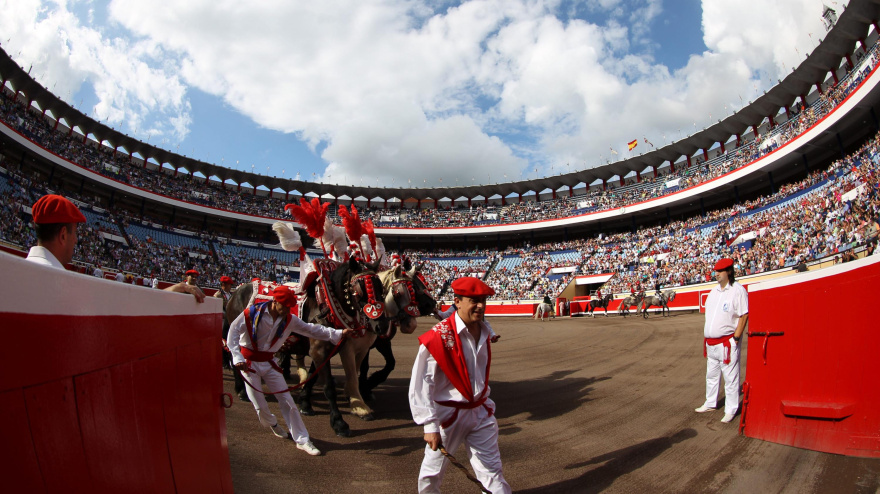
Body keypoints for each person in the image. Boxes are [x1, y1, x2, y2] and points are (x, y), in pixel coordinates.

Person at [410, 277, 512, 494]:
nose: (481, 306)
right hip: (448, 416)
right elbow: (422, 381)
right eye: (474, 300)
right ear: (457, 301)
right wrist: (429, 425)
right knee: (432, 473)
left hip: (481, 412)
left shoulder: (484, 330)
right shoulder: (437, 336)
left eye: (483, 300)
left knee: (492, 470)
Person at [227, 285, 355, 456]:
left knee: (288, 401)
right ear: (275, 301)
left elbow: (312, 329)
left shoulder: (289, 319)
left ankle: (302, 440)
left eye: (289, 306)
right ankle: (273, 424)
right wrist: (237, 357)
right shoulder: (251, 313)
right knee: (260, 405)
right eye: (285, 306)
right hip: (249, 364)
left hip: (269, 364)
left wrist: (338, 333)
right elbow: (233, 333)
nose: (288, 309)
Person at [695, 258, 749, 423]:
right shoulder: (714, 292)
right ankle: (710, 402)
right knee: (711, 375)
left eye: (720, 271)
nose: (716, 274)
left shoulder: (737, 290)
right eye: (716, 271)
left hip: (727, 342)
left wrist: (736, 338)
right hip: (711, 344)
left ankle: (731, 409)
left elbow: (744, 314)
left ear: (729, 272)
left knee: (730, 378)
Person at [25, 194, 85, 269]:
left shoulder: (14, 268)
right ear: (63, 235)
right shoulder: (61, 278)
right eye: (74, 233)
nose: (76, 240)